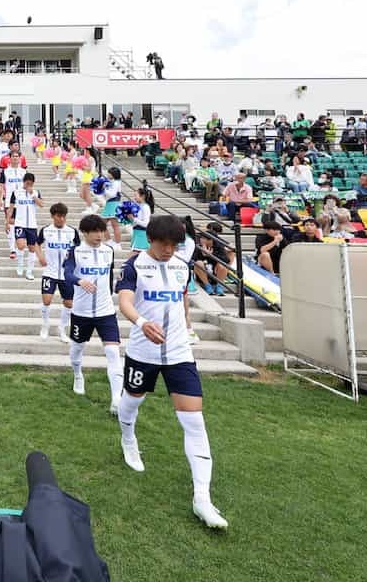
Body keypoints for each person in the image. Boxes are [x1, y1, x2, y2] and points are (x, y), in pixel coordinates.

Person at [114, 214, 228, 529]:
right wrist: (140, 323)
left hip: (179, 352)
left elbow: (182, 300)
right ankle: (128, 437)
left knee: (194, 421)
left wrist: (189, 327)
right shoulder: (133, 265)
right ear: (150, 240)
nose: (169, 249)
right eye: (164, 243)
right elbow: (124, 301)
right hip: (143, 351)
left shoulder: (182, 265)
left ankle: (202, 498)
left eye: (174, 244)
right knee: (132, 400)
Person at [62, 214, 124, 408]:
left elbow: (111, 272)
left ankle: (116, 399)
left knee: (113, 352)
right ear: (85, 233)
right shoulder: (76, 252)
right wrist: (80, 281)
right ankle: (78, 375)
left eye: (102, 231)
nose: (100, 235)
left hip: (106, 311)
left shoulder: (109, 251)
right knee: (77, 349)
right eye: (95, 232)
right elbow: (67, 273)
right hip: (82, 312)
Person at [36, 202, 79, 342]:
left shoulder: (72, 231)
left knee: (69, 303)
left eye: (63, 216)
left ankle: (62, 329)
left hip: (67, 274)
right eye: (58, 216)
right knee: (46, 300)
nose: (61, 219)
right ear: (52, 216)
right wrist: (40, 256)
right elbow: (36, 244)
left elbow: (79, 249)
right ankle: (45, 325)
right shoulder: (46, 230)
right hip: (50, 272)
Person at [8, 172, 44, 280]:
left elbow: (41, 204)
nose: (29, 185)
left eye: (31, 183)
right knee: (20, 245)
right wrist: (7, 222)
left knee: (32, 248)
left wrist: (32, 194)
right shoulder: (16, 192)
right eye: (27, 183)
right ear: (23, 182)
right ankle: (20, 264)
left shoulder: (36, 192)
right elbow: (10, 208)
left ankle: (29, 271)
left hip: (32, 225)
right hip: (20, 223)